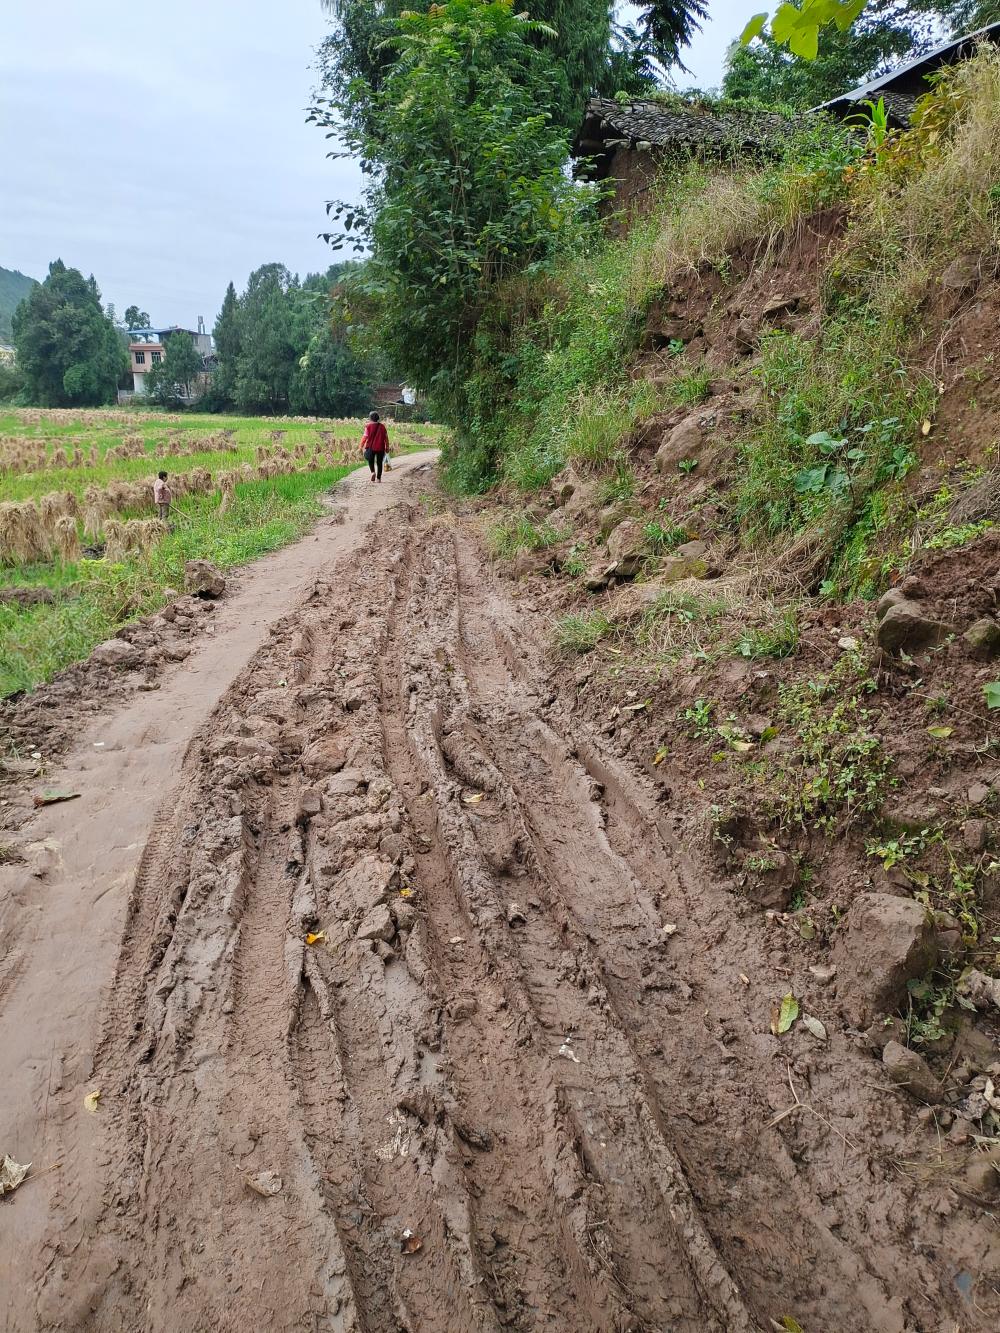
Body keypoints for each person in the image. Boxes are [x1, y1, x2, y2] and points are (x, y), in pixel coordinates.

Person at [359, 412, 389, 483]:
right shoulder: (382, 426)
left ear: (370, 418)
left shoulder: (368, 427)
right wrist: (387, 447)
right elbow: (386, 438)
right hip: (380, 447)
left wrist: (361, 446)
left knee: (370, 460)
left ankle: (373, 472)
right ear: (378, 418)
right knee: (379, 463)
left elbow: (364, 437)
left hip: (371, 447)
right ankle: (378, 478)